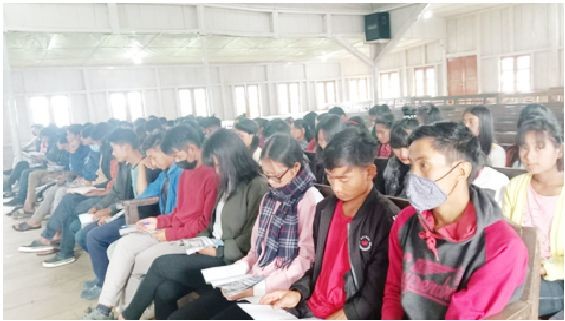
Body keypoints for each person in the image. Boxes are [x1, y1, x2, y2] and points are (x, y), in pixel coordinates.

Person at [120, 129, 275, 320]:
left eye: (219, 165)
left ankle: (128, 316)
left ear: (233, 159)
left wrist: (217, 250)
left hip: (231, 260)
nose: (216, 171)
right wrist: (201, 240)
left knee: (160, 264)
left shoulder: (256, 186)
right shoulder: (227, 182)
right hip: (210, 248)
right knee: (164, 290)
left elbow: (250, 239)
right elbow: (211, 222)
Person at [382, 122, 529, 319]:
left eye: (424, 165)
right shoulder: (406, 222)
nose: (413, 176)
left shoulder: (501, 247)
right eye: (411, 165)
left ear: (461, 171)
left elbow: (462, 315)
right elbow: (393, 291)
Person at [260, 128, 399, 320]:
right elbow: (319, 267)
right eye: (331, 178)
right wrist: (297, 292)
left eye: (343, 179)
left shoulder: (384, 218)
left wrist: (345, 315)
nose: (336, 188)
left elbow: (375, 292)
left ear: (370, 172)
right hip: (310, 307)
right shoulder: (325, 209)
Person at [82, 125, 219, 320]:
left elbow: (203, 224)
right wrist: (157, 222)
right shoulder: (186, 172)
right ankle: (104, 308)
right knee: (124, 245)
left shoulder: (210, 175)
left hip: (191, 238)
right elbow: (178, 213)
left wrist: (168, 233)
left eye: (176, 154)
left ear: (190, 149)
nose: (176, 159)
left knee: (139, 259)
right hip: (173, 229)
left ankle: (127, 312)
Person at [79, 132, 183, 300]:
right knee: (102, 242)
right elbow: (142, 197)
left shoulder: (180, 174)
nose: (150, 160)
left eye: (152, 156)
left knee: (100, 239)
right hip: (154, 222)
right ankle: (111, 302)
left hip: (161, 225)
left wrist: (143, 166)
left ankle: (114, 303)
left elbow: (148, 201)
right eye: (148, 157)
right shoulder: (164, 173)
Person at [502, 111, 564, 319]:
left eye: (539, 147)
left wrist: (546, 267)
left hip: (557, 279)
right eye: (524, 147)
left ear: (559, 150)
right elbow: (505, 234)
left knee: (502, 300)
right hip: (520, 273)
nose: (529, 155)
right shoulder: (516, 186)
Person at [379, 119, 419, 197]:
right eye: (396, 146)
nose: (403, 154)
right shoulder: (392, 165)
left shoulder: (427, 171)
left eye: (407, 147)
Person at [313, 114, 346, 184]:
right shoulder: (321, 155)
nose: (319, 142)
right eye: (318, 139)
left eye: (322, 140)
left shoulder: (347, 163)